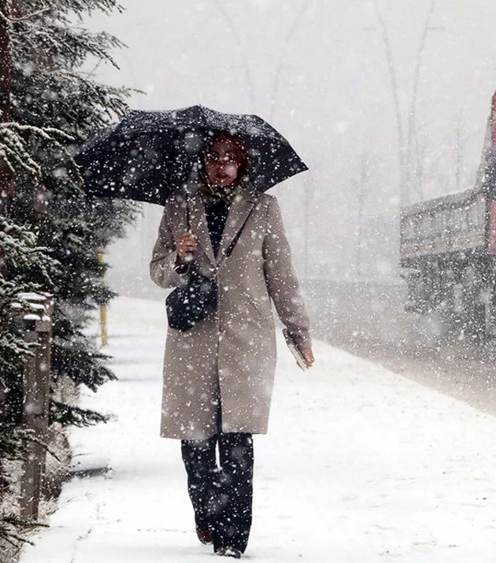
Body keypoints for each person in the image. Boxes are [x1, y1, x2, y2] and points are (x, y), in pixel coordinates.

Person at [150, 131, 314, 559]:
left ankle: (233, 539)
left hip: (247, 340)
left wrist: (298, 332)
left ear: (243, 165)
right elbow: (157, 272)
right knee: (196, 442)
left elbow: (281, 276)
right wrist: (179, 258)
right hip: (194, 341)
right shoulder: (179, 206)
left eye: (230, 159)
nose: (221, 166)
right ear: (203, 163)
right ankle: (206, 511)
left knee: (238, 442)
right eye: (214, 158)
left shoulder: (264, 208)